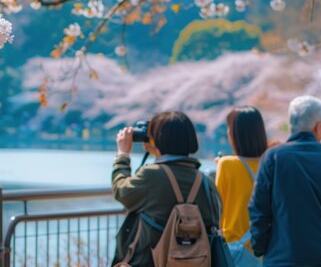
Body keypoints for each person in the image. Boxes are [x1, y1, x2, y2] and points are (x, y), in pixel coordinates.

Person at [249, 95, 321, 266]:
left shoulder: (273, 157)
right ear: (319, 127)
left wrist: (261, 246)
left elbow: (258, 208)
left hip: (281, 257)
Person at [111, 111, 221, 266]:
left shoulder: (152, 175)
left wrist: (122, 155)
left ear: (156, 140)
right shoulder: (206, 181)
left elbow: (121, 191)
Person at [216, 107, 268, 245]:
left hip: (235, 248)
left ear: (235, 134)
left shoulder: (226, 164)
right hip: (266, 248)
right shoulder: (271, 163)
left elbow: (217, 209)